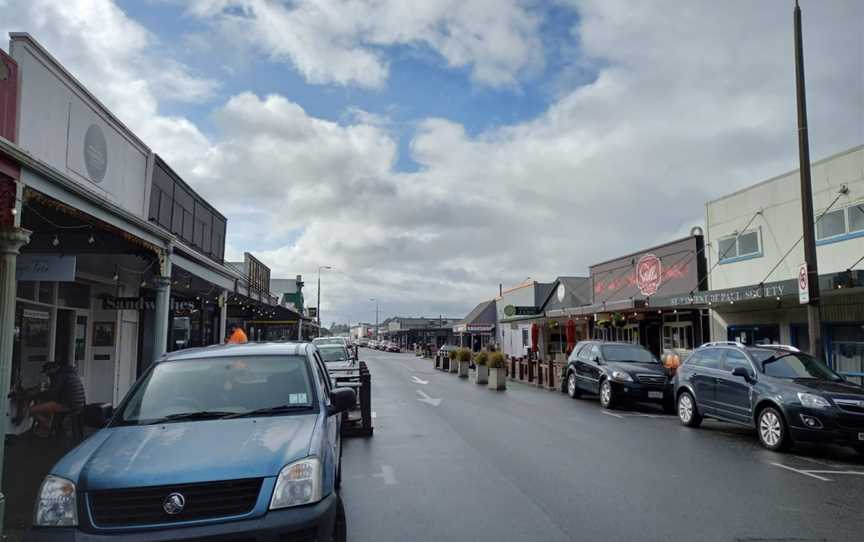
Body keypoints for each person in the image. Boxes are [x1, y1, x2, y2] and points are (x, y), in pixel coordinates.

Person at [29, 360, 86, 437]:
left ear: (52, 369)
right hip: (79, 403)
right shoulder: (70, 373)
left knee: (32, 410)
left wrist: (37, 394)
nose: (47, 374)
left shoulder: (59, 376)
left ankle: (47, 426)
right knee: (48, 406)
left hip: (67, 404)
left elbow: (51, 395)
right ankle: (51, 426)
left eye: (47, 372)